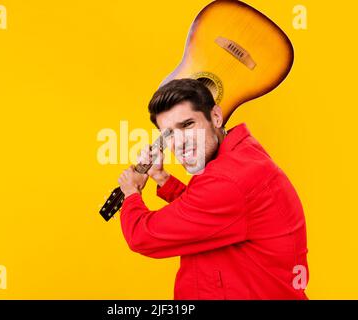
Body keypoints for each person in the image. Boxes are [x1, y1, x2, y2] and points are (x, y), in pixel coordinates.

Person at [118, 78, 309, 299]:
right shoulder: (239, 157)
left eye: (188, 125)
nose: (179, 142)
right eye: (169, 134)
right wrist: (162, 178)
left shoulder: (228, 180)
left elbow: (142, 237)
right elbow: (210, 216)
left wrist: (131, 192)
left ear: (216, 117)